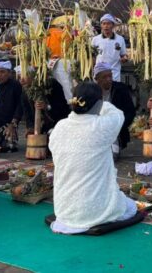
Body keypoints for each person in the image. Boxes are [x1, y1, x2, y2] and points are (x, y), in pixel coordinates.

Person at [48, 82, 139, 234]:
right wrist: (100, 101)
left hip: (63, 210)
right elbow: (118, 114)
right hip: (93, 210)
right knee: (131, 207)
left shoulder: (60, 127)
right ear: (99, 104)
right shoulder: (101, 125)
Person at [94, 61, 135, 158]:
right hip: (95, 130)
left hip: (115, 131)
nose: (109, 79)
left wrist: (118, 125)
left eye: (110, 76)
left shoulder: (120, 89)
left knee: (112, 156)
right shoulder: (91, 92)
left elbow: (130, 112)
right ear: (97, 79)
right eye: (105, 77)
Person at [15, 65, 71, 136]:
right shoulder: (25, 91)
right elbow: (27, 113)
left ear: (33, 74)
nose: (21, 80)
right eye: (19, 77)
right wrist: (30, 127)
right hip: (40, 126)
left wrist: (47, 107)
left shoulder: (52, 84)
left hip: (58, 123)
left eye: (24, 76)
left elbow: (62, 108)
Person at [0, 59, 23, 153]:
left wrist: (13, 124)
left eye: (2, 72)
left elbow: (19, 106)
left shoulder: (15, 85)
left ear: (9, 73)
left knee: (10, 147)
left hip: (8, 123)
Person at [91, 14, 128, 82]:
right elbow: (92, 56)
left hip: (114, 75)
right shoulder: (95, 39)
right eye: (104, 24)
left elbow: (123, 54)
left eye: (108, 24)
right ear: (101, 25)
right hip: (99, 75)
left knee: (114, 92)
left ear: (113, 25)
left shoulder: (120, 39)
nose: (106, 26)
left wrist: (124, 58)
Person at [46, 15, 74, 102]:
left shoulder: (47, 33)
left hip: (49, 61)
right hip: (62, 61)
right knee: (66, 85)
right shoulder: (64, 33)